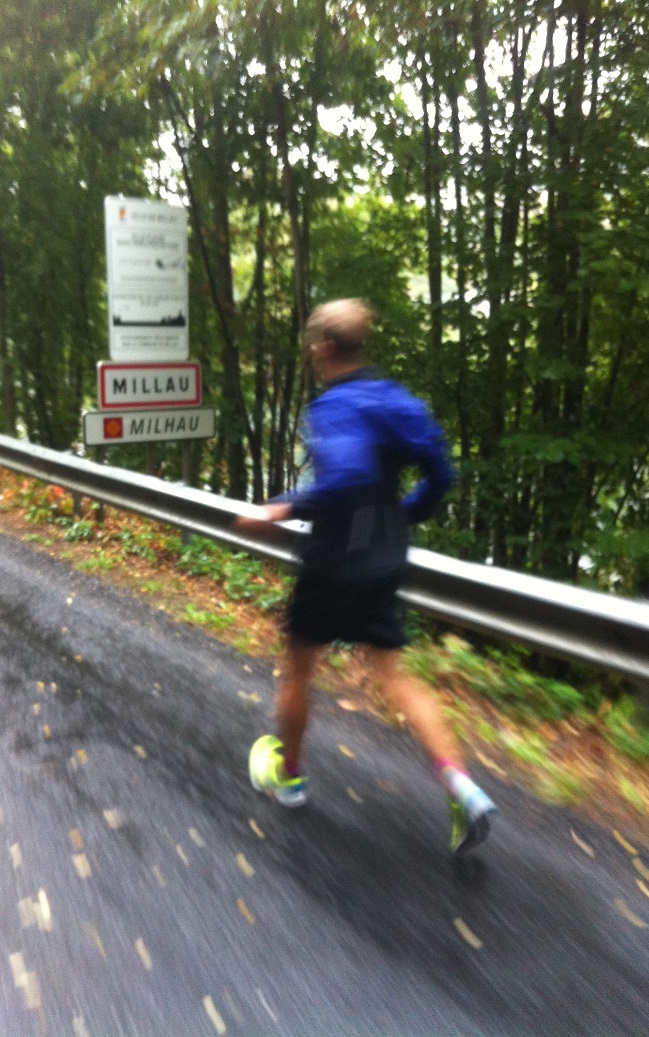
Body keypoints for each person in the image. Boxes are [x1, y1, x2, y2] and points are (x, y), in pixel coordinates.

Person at [235, 299, 496, 854]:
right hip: (384, 558)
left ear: (326, 348)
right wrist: (405, 515)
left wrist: (281, 507)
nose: (311, 351)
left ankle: (290, 776)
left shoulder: (334, 406)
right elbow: (440, 472)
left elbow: (349, 476)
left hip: (334, 561)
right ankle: (460, 784)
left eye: (313, 343)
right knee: (395, 674)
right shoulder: (398, 402)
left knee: (299, 669)